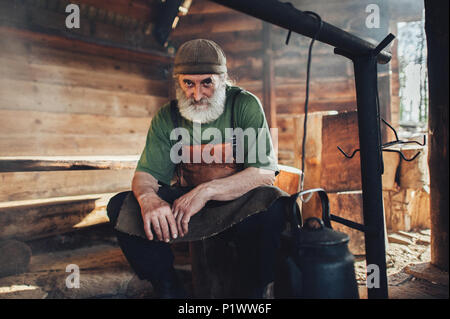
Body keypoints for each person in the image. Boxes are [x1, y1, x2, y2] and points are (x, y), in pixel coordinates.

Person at [107, 39, 290, 298]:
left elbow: (263, 173)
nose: (197, 94)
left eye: (207, 82)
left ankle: (254, 292)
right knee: (121, 207)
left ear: (223, 78)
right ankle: (168, 287)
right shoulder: (167, 116)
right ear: (178, 81)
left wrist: (205, 191)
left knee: (273, 205)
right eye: (188, 83)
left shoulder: (244, 104)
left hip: (236, 204)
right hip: (186, 212)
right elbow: (145, 175)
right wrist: (149, 198)